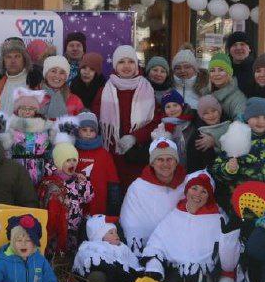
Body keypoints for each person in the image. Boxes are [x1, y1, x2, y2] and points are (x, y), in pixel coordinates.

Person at [140, 170, 240, 282]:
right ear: (186, 190)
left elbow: (227, 253)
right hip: (177, 270)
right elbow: (158, 241)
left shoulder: (217, 218)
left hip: (207, 275)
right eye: (194, 189)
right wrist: (154, 264)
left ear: (209, 196)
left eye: (204, 191)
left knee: (197, 273)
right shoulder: (176, 214)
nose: (197, 194)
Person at [100, 45, 157, 188]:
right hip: (112, 155)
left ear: (136, 65)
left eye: (130, 61)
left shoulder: (147, 88)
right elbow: (96, 121)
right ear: (115, 65)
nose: (126, 66)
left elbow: (155, 121)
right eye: (121, 62)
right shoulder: (105, 89)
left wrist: (135, 137)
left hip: (137, 155)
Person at [117, 138, 187, 253]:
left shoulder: (187, 185)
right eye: (160, 159)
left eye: (170, 159)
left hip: (179, 246)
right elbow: (130, 220)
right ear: (152, 163)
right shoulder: (138, 187)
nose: (165, 164)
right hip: (144, 248)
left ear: (176, 162)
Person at [38, 143, 95, 258]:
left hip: (73, 226)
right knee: (53, 251)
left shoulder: (77, 180)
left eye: (74, 160)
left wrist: (84, 183)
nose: (72, 163)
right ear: (59, 162)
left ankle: (67, 269)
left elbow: (88, 198)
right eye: (68, 160)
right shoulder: (50, 181)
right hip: (55, 226)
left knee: (70, 253)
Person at [72, 215, 141, 282]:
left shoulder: (122, 247)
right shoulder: (92, 246)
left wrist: (135, 271)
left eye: (116, 232)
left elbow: (132, 260)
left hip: (123, 276)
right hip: (106, 276)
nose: (116, 235)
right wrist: (107, 266)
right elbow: (86, 256)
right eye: (111, 233)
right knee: (96, 277)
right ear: (99, 237)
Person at [1, 88, 55, 186]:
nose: (26, 111)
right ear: (17, 109)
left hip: (39, 169)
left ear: (35, 110)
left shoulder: (44, 126)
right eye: (23, 108)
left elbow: (49, 149)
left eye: (30, 109)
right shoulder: (10, 126)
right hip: (16, 169)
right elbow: (5, 149)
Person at [72, 111, 119, 219]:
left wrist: (113, 209)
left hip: (98, 207)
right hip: (76, 207)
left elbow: (113, 183)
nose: (88, 133)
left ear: (96, 132)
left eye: (92, 130)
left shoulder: (104, 154)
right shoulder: (72, 151)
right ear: (77, 131)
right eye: (84, 130)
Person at [133, 89, 193, 164]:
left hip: (191, 162)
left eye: (175, 105)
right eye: (168, 107)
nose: (172, 109)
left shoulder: (191, 122)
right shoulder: (161, 128)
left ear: (182, 105)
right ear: (164, 110)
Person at [0, 37, 43, 115]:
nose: (13, 61)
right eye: (8, 57)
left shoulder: (34, 80)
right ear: (3, 61)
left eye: (17, 56)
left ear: (24, 59)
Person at [203, 54, 246, 121]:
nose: (216, 74)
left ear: (229, 73)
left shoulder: (238, 98)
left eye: (221, 70)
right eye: (212, 70)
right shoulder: (204, 94)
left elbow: (240, 125)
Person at [40, 55, 84, 121]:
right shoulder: (35, 97)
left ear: (66, 77)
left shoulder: (75, 101)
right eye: (53, 71)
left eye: (62, 72)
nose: (57, 76)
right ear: (45, 74)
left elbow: (82, 126)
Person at [224, 31, 256, 96]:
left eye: (242, 44)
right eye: (234, 45)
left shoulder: (258, 69)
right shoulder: (223, 70)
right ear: (229, 50)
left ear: (249, 48)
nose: (238, 48)